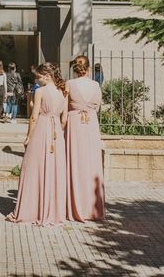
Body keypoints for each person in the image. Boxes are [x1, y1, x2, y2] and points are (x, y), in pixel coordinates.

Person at [7, 63, 68, 225]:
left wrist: (28, 136)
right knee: (54, 170)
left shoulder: (40, 91)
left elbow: (33, 117)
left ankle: (32, 209)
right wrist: (57, 133)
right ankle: (53, 210)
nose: (36, 79)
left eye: (38, 76)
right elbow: (64, 119)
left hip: (41, 129)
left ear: (47, 76)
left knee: (32, 168)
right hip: (57, 134)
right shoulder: (63, 92)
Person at [66, 56, 105, 222]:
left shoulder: (69, 84)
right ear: (88, 68)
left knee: (75, 161)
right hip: (91, 123)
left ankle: (75, 205)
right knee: (92, 162)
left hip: (74, 122)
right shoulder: (96, 85)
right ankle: (92, 207)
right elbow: (98, 105)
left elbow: (64, 105)